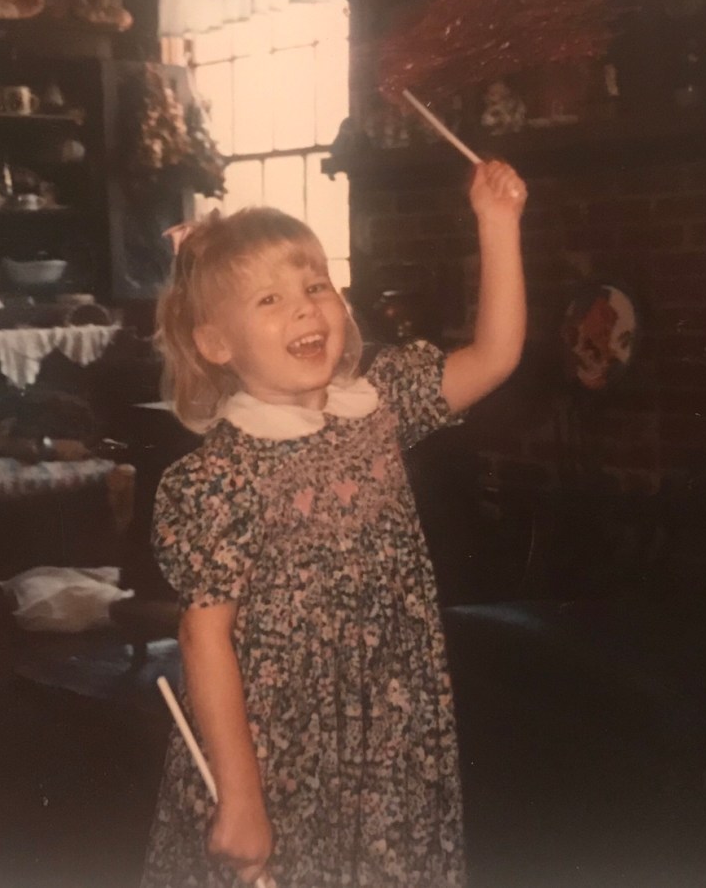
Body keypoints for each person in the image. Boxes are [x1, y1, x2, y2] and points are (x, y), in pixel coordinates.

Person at [142, 159, 528, 888]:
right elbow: (204, 636)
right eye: (270, 298)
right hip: (279, 750)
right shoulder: (222, 475)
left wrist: (498, 222)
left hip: (393, 732)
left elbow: (495, 356)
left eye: (315, 285)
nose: (304, 309)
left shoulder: (378, 406)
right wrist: (242, 797)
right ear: (217, 344)